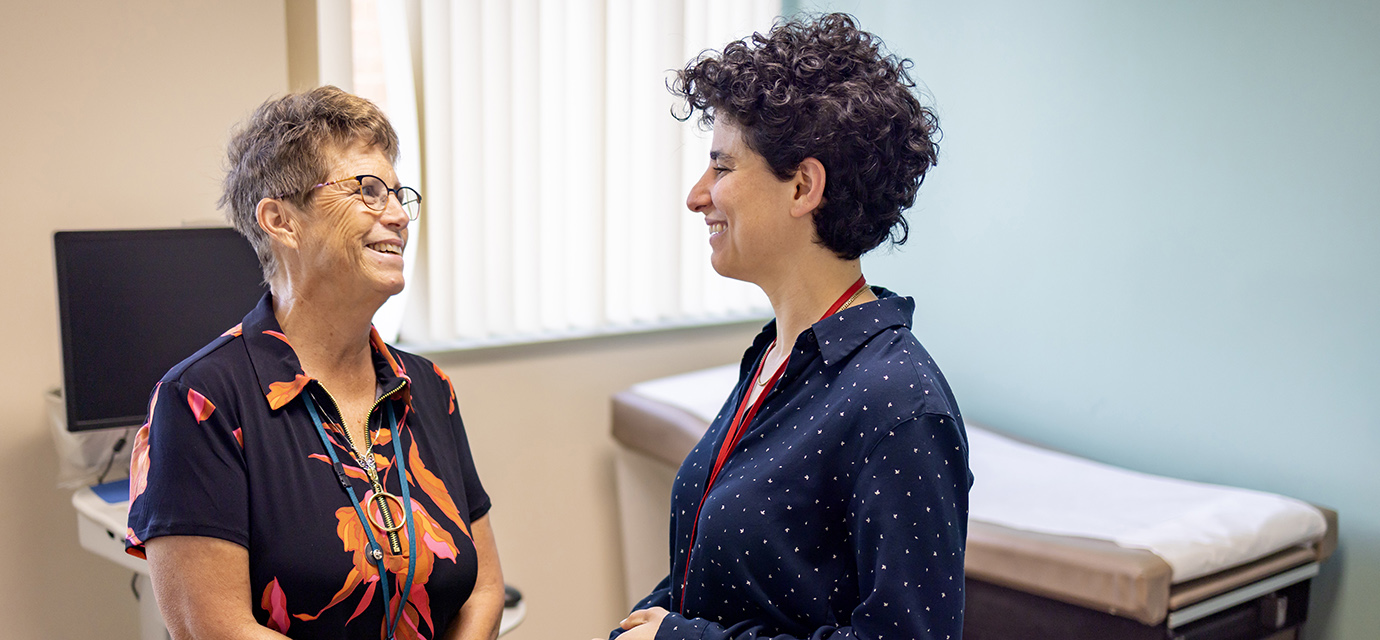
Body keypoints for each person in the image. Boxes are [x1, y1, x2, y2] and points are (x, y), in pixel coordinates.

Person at [610, 13, 971, 640]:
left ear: (803, 186)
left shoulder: (898, 402)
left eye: (722, 168)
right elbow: (724, 576)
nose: (698, 195)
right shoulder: (778, 357)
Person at [125, 86, 504, 640]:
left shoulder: (426, 386)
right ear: (281, 221)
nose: (399, 215)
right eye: (367, 192)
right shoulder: (200, 401)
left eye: (400, 195)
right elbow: (215, 629)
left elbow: (485, 587)